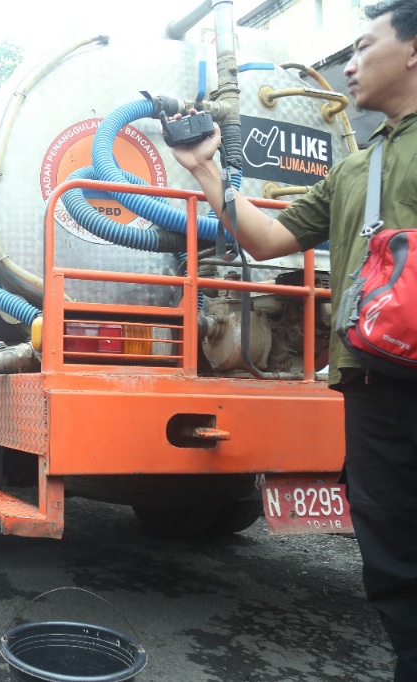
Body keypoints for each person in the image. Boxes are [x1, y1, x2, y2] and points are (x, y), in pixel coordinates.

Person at [171, 2, 417, 678]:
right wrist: (204, 168)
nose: (353, 63)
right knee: (391, 558)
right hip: (372, 384)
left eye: (365, 46)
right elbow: (267, 238)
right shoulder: (354, 169)